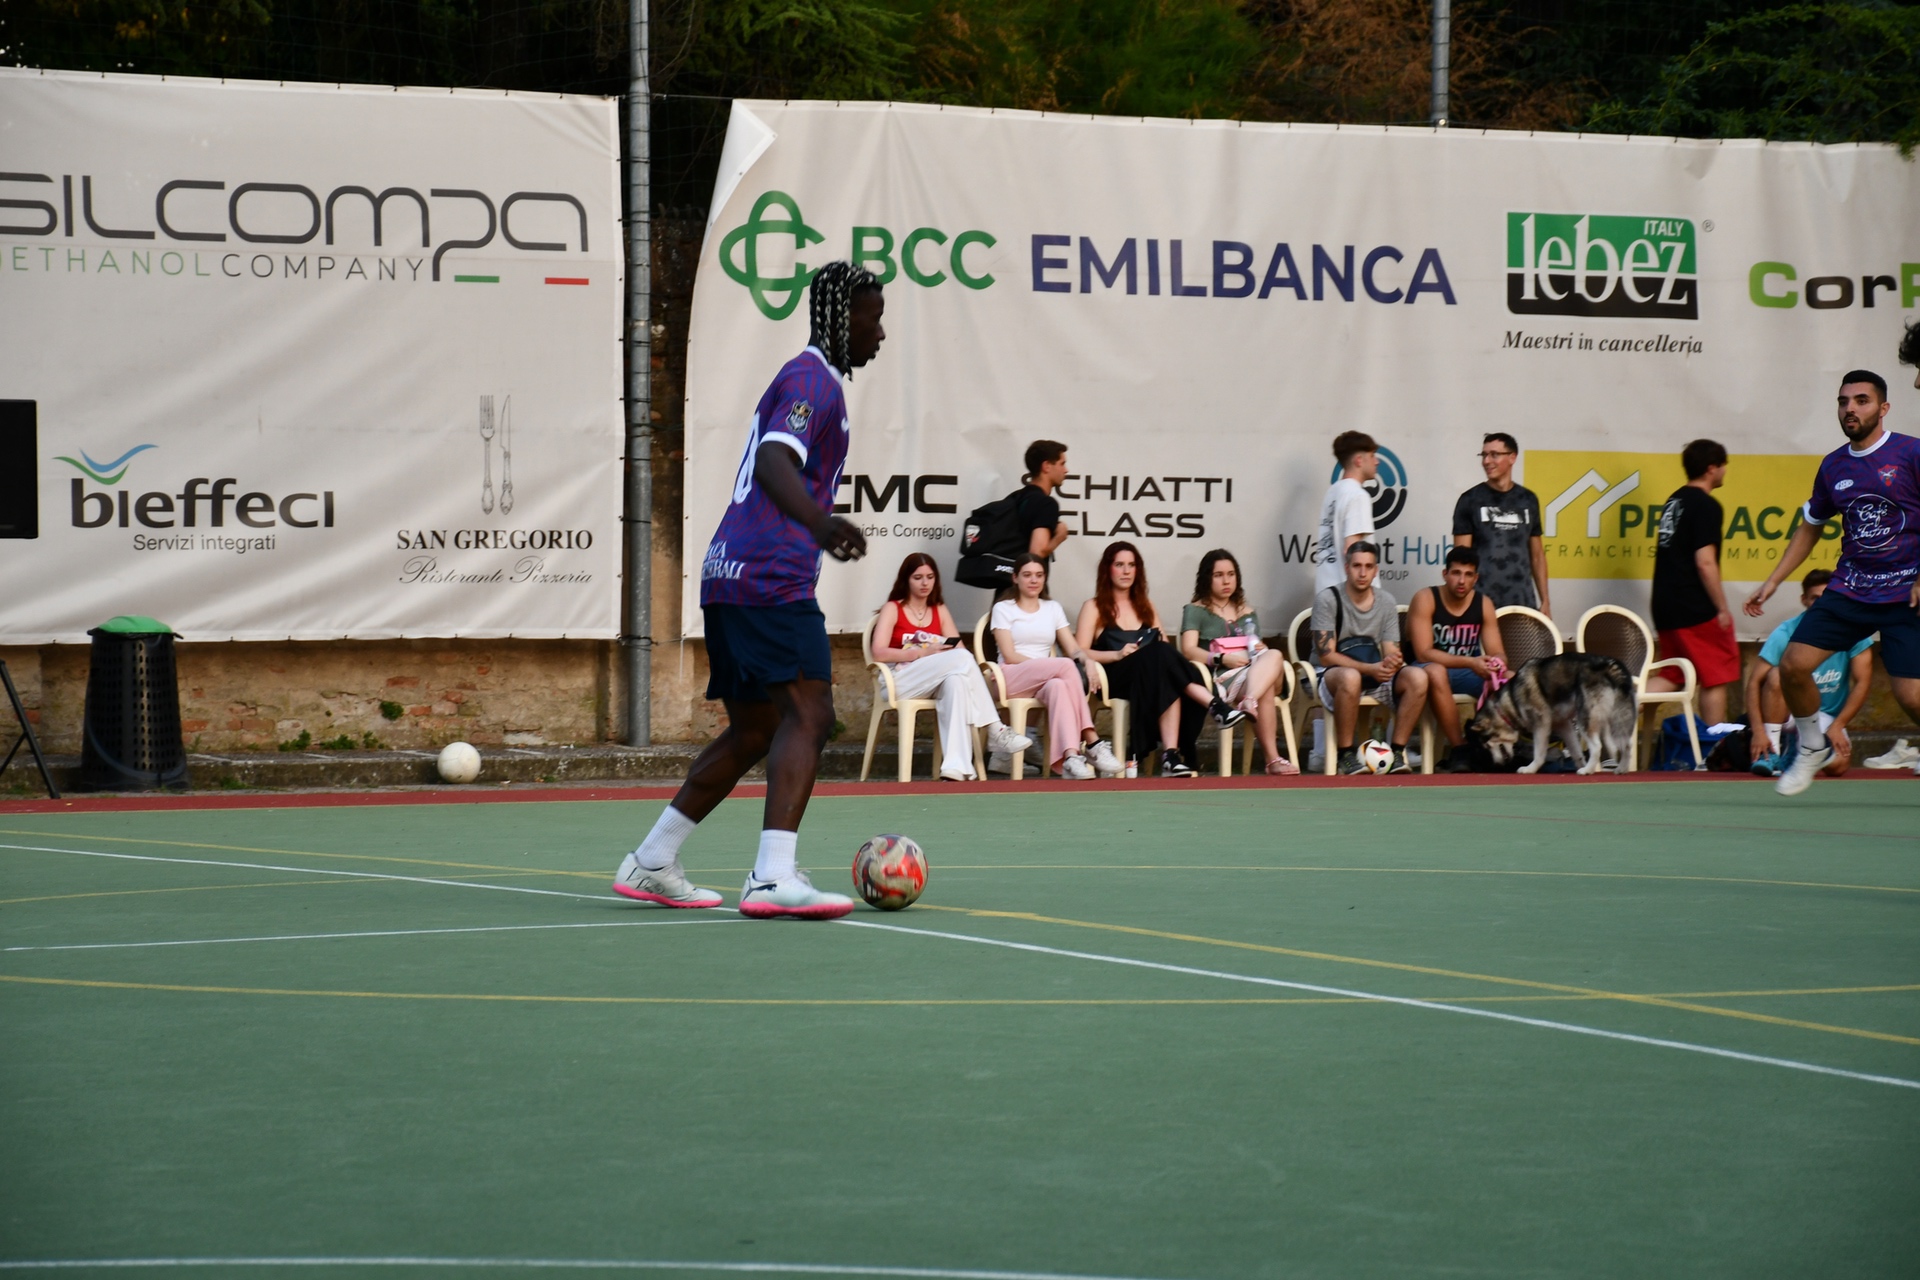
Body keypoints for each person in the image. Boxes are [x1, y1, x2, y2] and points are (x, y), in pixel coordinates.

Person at [611, 261, 881, 920]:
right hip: (769, 575)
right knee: (810, 715)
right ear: (839, 317)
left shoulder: (810, 379)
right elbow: (772, 459)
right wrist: (819, 523)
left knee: (757, 727)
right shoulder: (811, 380)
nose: (879, 333)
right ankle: (772, 877)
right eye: (871, 317)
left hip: (728, 572)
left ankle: (652, 859)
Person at [1744, 368, 1920, 794]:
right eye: (1843, 402)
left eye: (1861, 400)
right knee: (1793, 666)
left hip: (1906, 593)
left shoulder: (1911, 453)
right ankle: (1811, 747)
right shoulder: (1833, 465)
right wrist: (1773, 581)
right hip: (1851, 590)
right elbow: (1811, 526)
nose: (1850, 409)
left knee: (1911, 698)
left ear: (1883, 407)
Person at [1073, 542, 1240, 778]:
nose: (1126, 571)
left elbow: (1163, 646)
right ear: (1107, 569)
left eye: (1132, 565)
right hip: (1115, 677)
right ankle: (1215, 705)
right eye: (1119, 565)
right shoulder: (1093, 607)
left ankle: (1170, 756)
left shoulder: (1145, 605)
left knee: (1163, 661)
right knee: (1160, 655)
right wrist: (1117, 654)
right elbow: (1079, 651)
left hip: (1150, 676)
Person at [870, 553, 1032, 781]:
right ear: (906, 579)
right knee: (962, 658)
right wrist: (921, 653)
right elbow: (878, 652)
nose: (925, 583)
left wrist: (942, 655)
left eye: (930, 577)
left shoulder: (939, 609)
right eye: (918, 577)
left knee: (957, 681)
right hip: (899, 680)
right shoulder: (893, 608)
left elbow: (960, 652)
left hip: (933, 681)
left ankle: (956, 767)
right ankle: (995, 728)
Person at [989, 553, 1120, 779]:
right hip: (1010, 677)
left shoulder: (1052, 608)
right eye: (1027, 575)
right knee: (1064, 666)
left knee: (1059, 685)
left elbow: (1073, 649)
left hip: (1045, 680)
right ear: (1015, 578)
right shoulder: (1003, 608)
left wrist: (1088, 661)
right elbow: (1009, 655)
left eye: (1039, 575)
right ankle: (1092, 741)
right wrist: (1049, 666)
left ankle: (1070, 757)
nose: (1034, 580)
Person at [1178, 548, 1299, 775]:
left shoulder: (1247, 611)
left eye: (1231, 574)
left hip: (1253, 673)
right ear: (1206, 578)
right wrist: (1221, 658)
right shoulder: (1195, 610)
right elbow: (1188, 650)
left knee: (1273, 654)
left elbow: (1256, 648)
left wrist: (1259, 648)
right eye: (1219, 575)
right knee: (1265, 687)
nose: (1226, 581)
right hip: (1222, 677)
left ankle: (1249, 700)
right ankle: (1273, 759)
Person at [1312, 541, 1429, 774]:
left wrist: (1392, 662)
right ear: (1347, 568)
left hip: (1373, 671)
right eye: (1357, 566)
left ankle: (1396, 753)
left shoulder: (1386, 601)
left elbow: (1390, 650)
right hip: (1329, 674)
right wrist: (1370, 669)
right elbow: (1326, 656)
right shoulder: (1328, 599)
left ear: (1376, 570)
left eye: (1368, 566)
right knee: (1350, 677)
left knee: (1418, 677)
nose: (1363, 573)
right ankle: (1345, 755)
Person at [1745, 570, 1872, 778]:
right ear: (1804, 600)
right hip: (1789, 712)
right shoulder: (1786, 631)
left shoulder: (1855, 630)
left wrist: (1838, 725)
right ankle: (1771, 753)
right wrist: (1758, 732)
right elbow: (1753, 683)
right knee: (1777, 674)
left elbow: (1863, 682)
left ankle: (1797, 749)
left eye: (1827, 597)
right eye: (1815, 598)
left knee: (1837, 767)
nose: (1822, 604)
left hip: (1824, 716)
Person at [1649, 439, 1739, 725]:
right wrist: (1721, 608)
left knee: (1675, 674)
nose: (1725, 471)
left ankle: (1608, 713)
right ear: (1712, 468)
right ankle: (1714, 744)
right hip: (1693, 606)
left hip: (1665, 605)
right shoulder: (1706, 505)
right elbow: (1705, 562)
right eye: (1723, 465)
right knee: (1716, 675)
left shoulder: (1674, 500)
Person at [1406, 546, 1506, 771]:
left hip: (1467, 672)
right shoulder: (1426, 598)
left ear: (1476, 578)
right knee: (1436, 672)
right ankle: (1460, 749)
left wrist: (1496, 664)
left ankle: (1502, 746)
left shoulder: (1483, 603)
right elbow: (1423, 653)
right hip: (1426, 670)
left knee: (1510, 678)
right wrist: (1471, 662)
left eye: (1468, 574)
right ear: (1445, 574)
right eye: (1456, 573)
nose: (1461, 581)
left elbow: (1498, 651)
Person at [1452, 432, 1550, 614]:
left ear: (1512, 457)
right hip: (1480, 603)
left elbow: (1537, 555)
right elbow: (1461, 560)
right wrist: (1463, 604)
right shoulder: (1469, 500)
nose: (1486, 461)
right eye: (1484, 455)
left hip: (1522, 602)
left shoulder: (1528, 499)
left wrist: (1545, 600)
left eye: (1494, 455)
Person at [1314, 431, 1380, 595]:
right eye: (1372, 456)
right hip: (1350, 599)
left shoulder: (1332, 492)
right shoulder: (1358, 496)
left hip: (1326, 593)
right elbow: (1353, 550)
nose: (1376, 461)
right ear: (1359, 460)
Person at [1018, 440, 1072, 560]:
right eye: (1062, 464)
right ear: (1046, 466)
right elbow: (1036, 554)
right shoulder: (1045, 504)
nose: (1066, 470)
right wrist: (1059, 537)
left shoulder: (1017, 497)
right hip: (1023, 571)